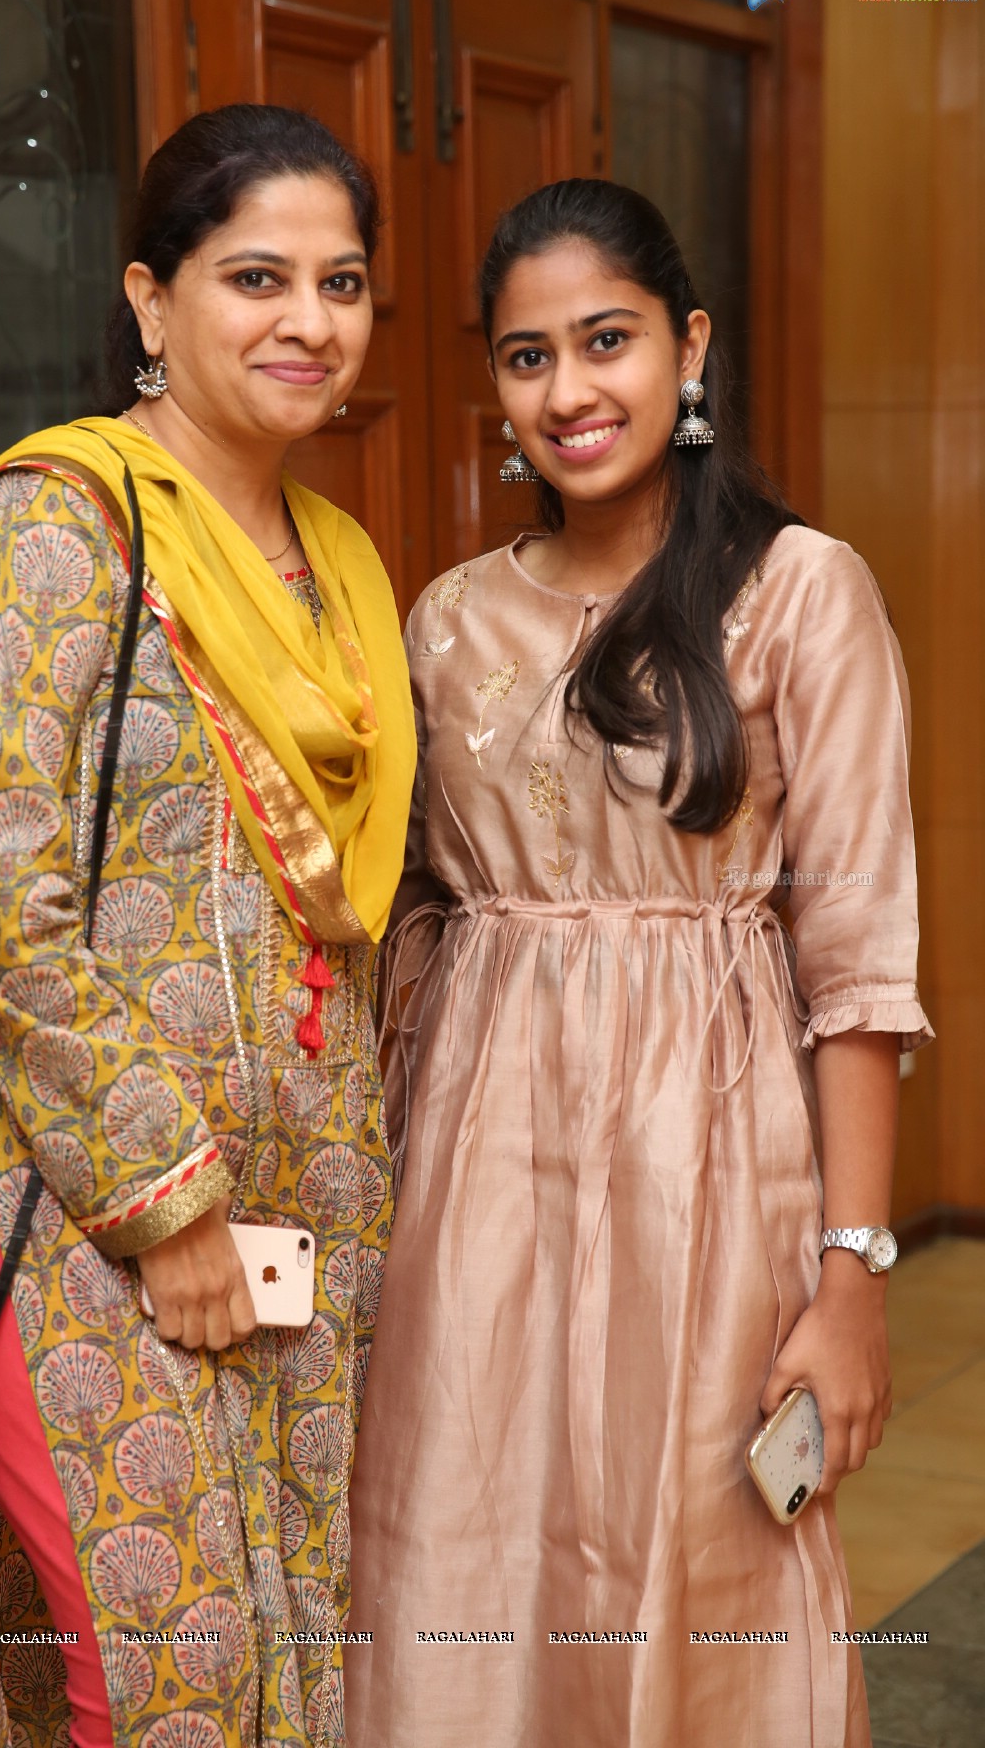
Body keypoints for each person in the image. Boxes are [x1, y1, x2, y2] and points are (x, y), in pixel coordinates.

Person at [0, 103, 415, 1748]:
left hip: (310, 1216)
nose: (309, 320)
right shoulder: (55, 528)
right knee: (158, 1685)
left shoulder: (345, 572)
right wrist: (170, 1202)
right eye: (259, 277)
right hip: (78, 1212)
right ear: (152, 301)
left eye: (344, 281)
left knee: (296, 1649)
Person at [344, 179, 933, 1748]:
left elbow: (861, 963)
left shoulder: (804, 591)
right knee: (465, 1541)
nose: (569, 391)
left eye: (605, 341)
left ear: (689, 346)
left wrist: (852, 1277)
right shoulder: (447, 620)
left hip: (713, 1179)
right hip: (478, 1183)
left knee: (699, 1565)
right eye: (526, 357)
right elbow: (403, 925)